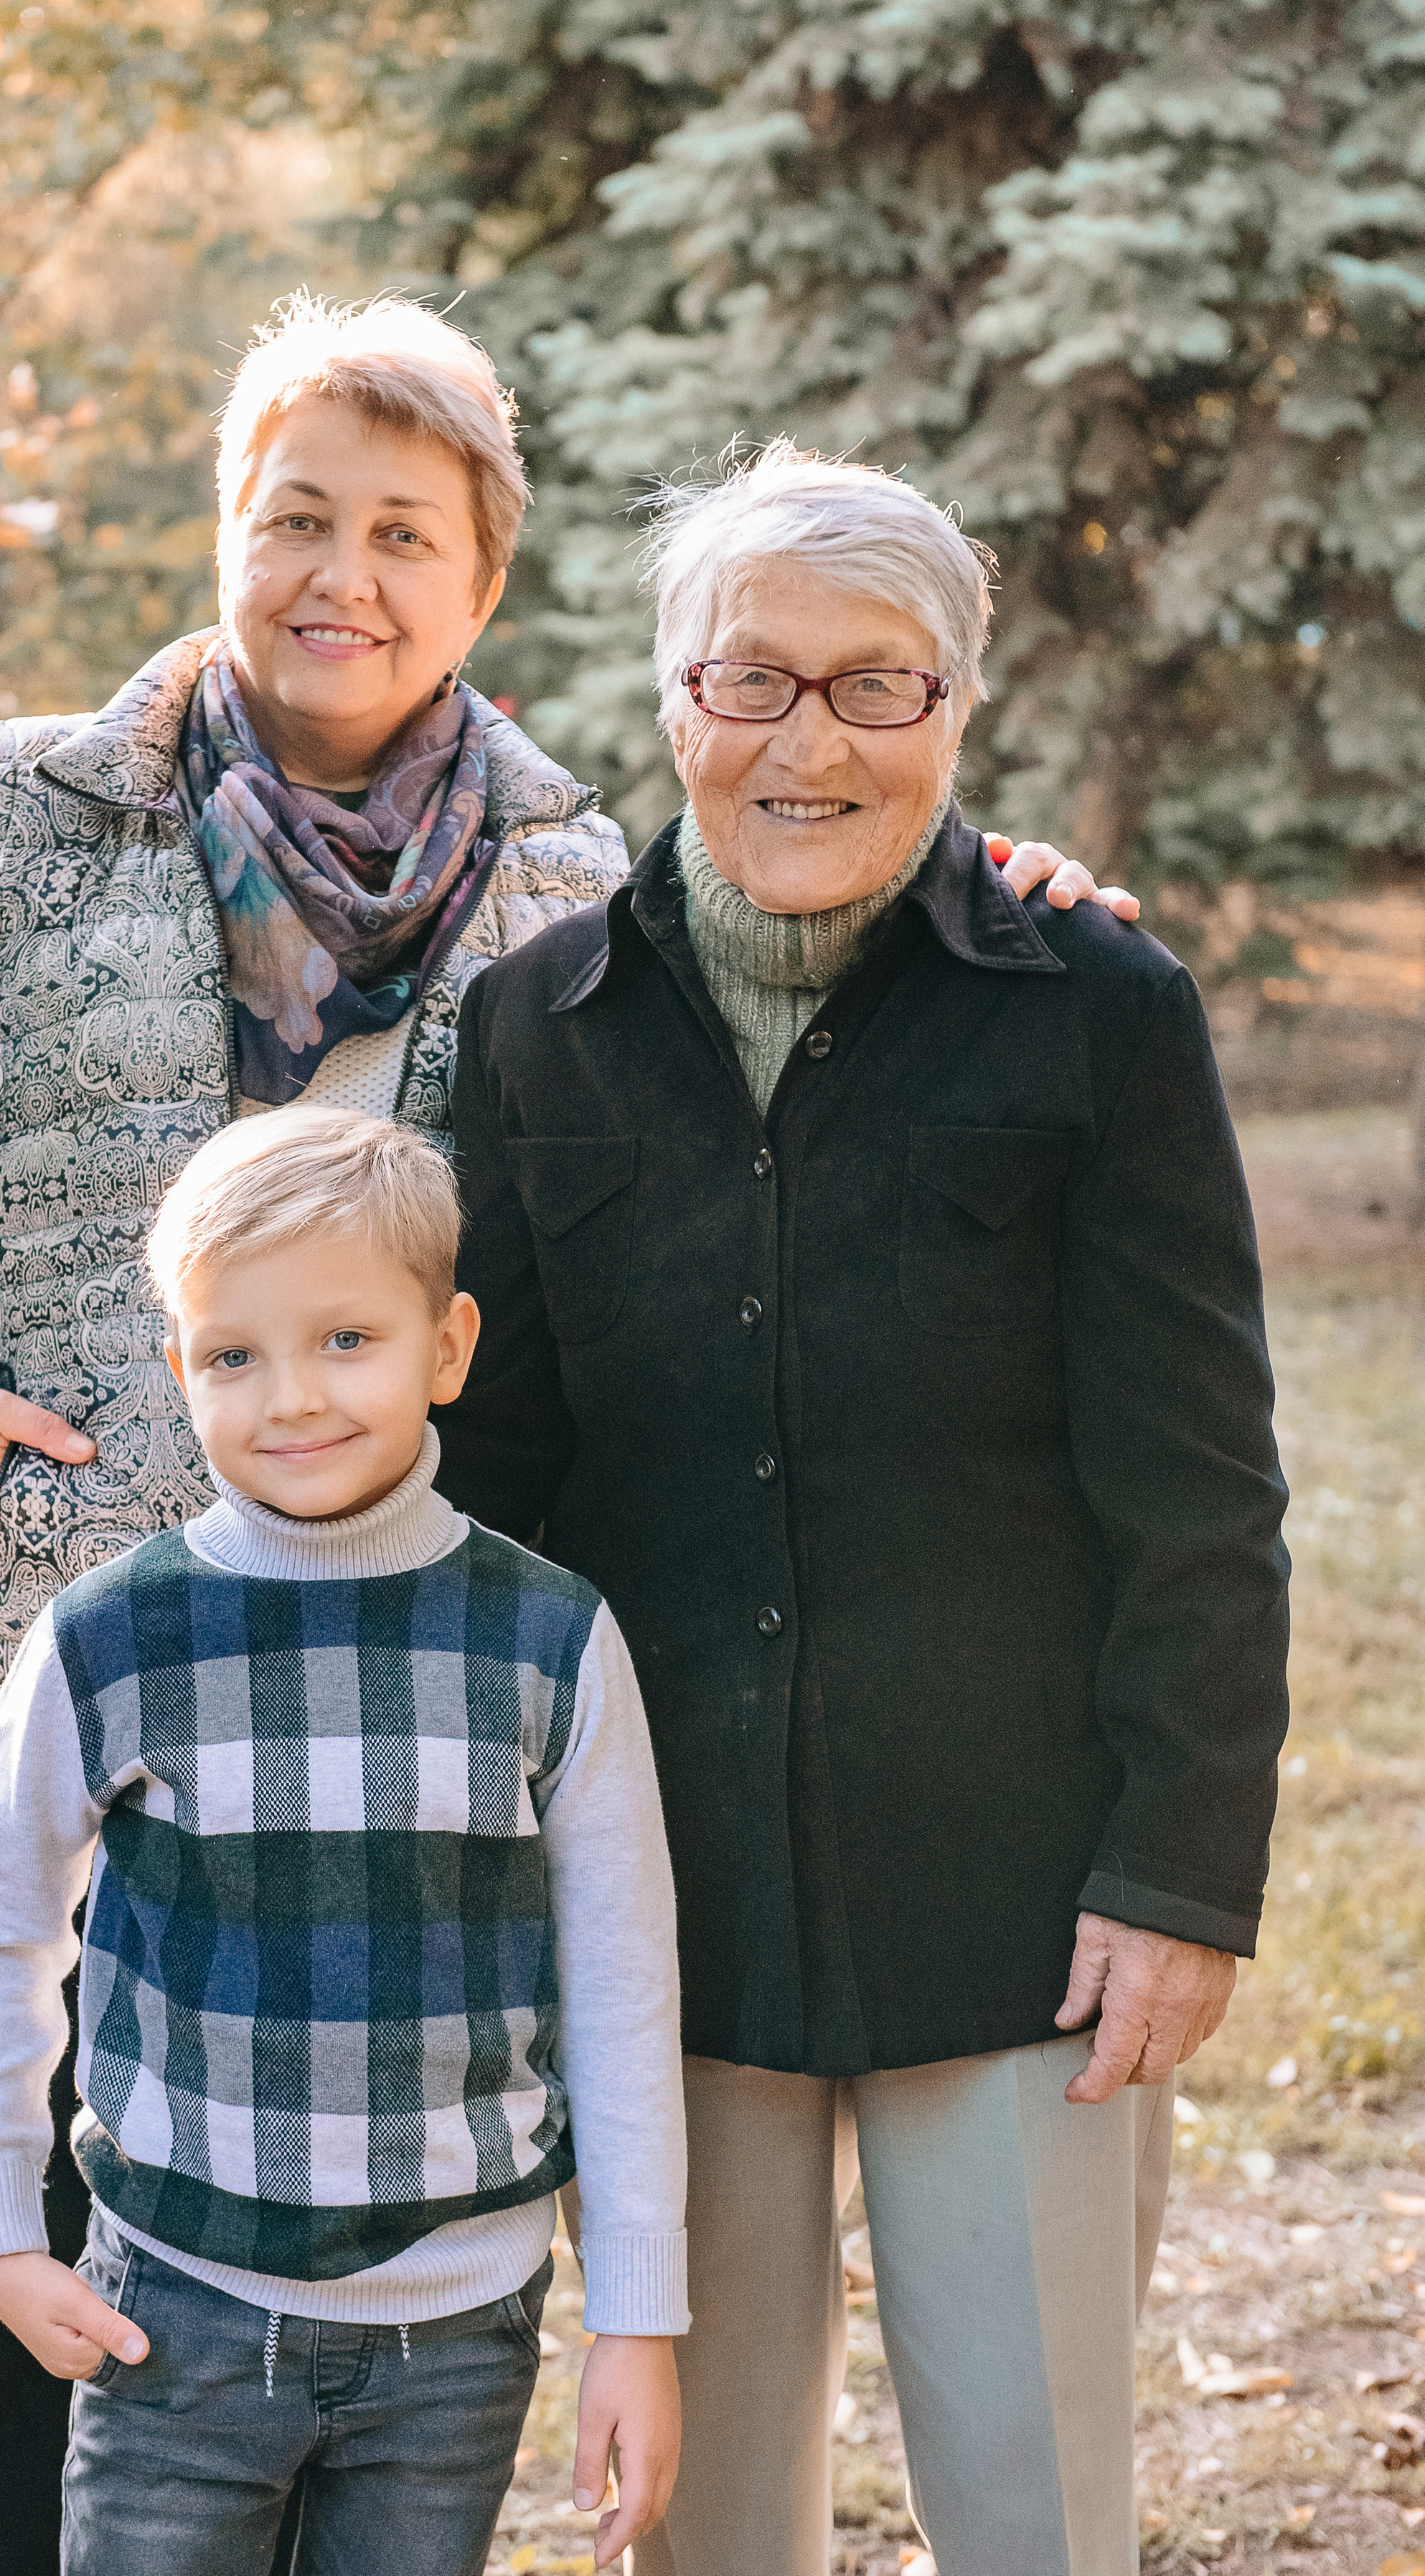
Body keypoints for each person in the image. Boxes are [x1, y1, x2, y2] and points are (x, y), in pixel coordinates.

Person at [0, 284, 1128, 2576]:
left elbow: (826, 887)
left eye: (404, 532)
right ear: (224, 536)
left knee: (332, 2266)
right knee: (8, 2265)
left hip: (401, 1713)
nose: (339, 578)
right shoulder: (28, 816)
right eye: (295, 518)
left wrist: (1019, 886)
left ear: (483, 584)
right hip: (58, 1659)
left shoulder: (572, 883)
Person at [436, 442, 1292, 2576]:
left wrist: (1182, 1868)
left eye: (876, 685)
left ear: (955, 716)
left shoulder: (1099, 1014)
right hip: (666, 1900)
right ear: (674, 703)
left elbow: (1200, 1485)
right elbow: (498, 1487)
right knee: (703, 2529)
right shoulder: (537, 1031)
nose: (809, 738)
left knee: (1032, 2511)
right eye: (755, 680)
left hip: (1018, 1907)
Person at [0, 1108, 686, 2576]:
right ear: (180, 1373)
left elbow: (620, 1993)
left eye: (348, 1340)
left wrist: (633, 2320)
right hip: (174, 2313)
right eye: (234, 1356)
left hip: (456, 2331)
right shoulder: (111, 1636)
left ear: (447, 1348)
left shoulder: (549, 1643)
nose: (292, 1398)